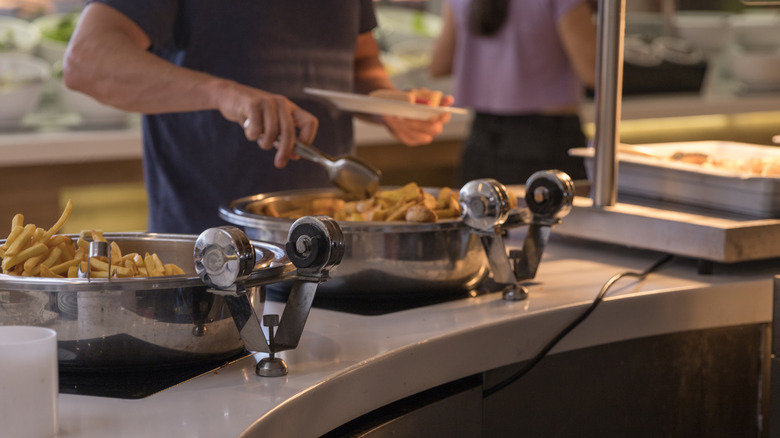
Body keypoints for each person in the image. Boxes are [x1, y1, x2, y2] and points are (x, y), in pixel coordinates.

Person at [63, 1, 453, 234]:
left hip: (330, 242)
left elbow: (359, 60)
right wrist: (224, 93)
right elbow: (87, 60)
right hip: (212, 251)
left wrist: (389, 105)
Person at [429, 0, 598, 186]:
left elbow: (438, 65)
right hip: (546, 138)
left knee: (482, 213)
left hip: (481, 137)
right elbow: (594, 72)